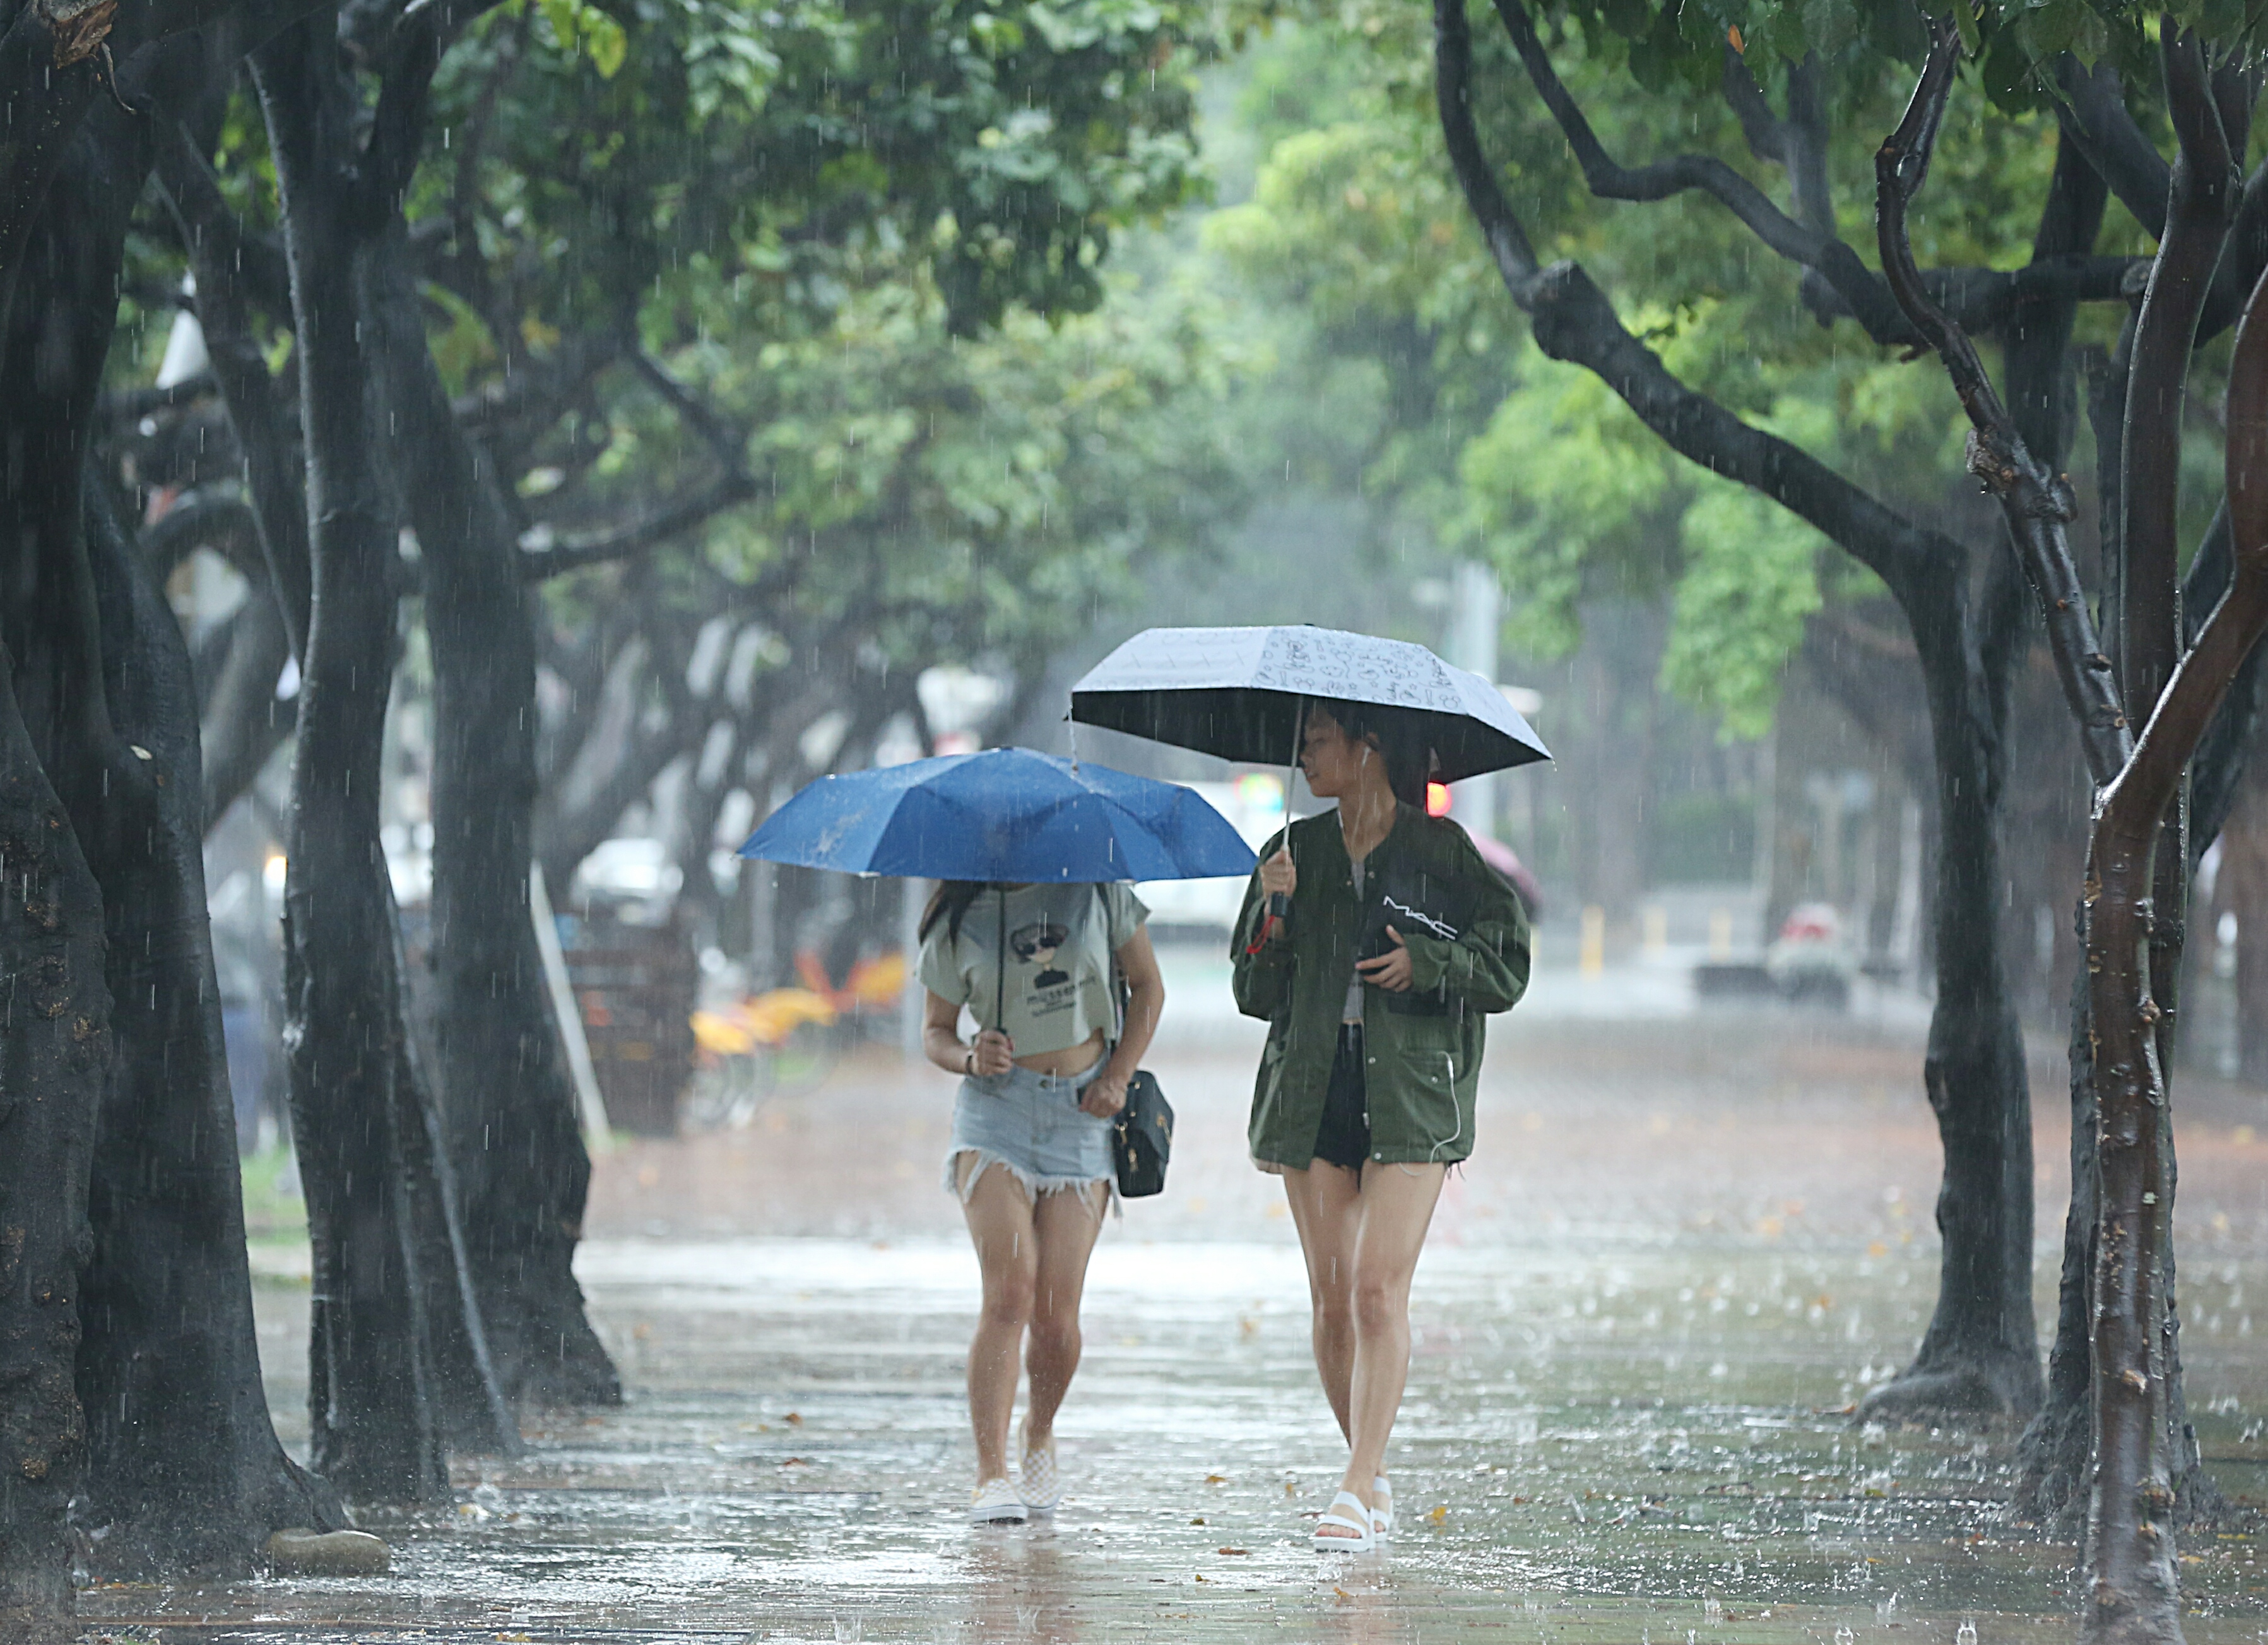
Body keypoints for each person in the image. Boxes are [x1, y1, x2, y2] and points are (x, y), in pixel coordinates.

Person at [1231, 699, 1530, 1552]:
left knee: (1374, 1290)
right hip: (1311, 1088)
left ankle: (1357, 1485)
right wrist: (1271, 909)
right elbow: (1253, 993)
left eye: (1317, 741)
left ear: (1367, 747)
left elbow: (1506, 967)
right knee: (1331, 1300)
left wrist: (1426, 962)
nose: (1303, 758)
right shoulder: (1291, 853)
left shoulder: (1442, 852)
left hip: (1410, 1095)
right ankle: (1370, 1471)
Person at [919, 878, 1164, 1524]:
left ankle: (1039, 1429)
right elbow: (936, 1030)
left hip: (1083, 1110)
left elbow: (1148, 987)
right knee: (1009, 1291)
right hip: (994, 1114)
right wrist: (971, 1055)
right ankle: (990, 1470)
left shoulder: (1100, 893)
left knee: (1056, 1317)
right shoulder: (962, 914)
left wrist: (1118, 1075)